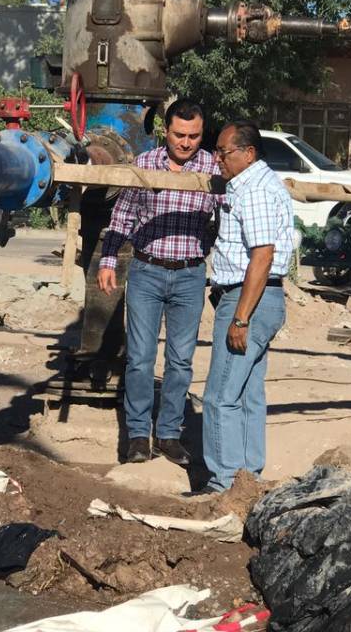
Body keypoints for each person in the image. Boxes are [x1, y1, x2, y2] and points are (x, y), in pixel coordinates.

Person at [98, 100, 219, 465]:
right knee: (139, 358)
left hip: (189, 275)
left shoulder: (212, 167)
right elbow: (123, 215)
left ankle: (168, 434)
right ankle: (137, 435)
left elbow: (224, 217)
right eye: (179, 135)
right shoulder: (144, 164)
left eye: (193, 136)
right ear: (165, 131)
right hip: (147, 272)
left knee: (181, 361)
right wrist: (108, 260)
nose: (185, 143)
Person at [198, 120, 293, 494]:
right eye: (217, 151)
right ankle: (248, 477)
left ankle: (223, 484)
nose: (218, 159)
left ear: (248, 153)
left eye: (224, 152)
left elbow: (262, 257)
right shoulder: (261, 183)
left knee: (220, 397)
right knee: (248, 393)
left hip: (247, 298)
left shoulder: (254, 191)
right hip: (259, 297)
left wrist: (240, 317)